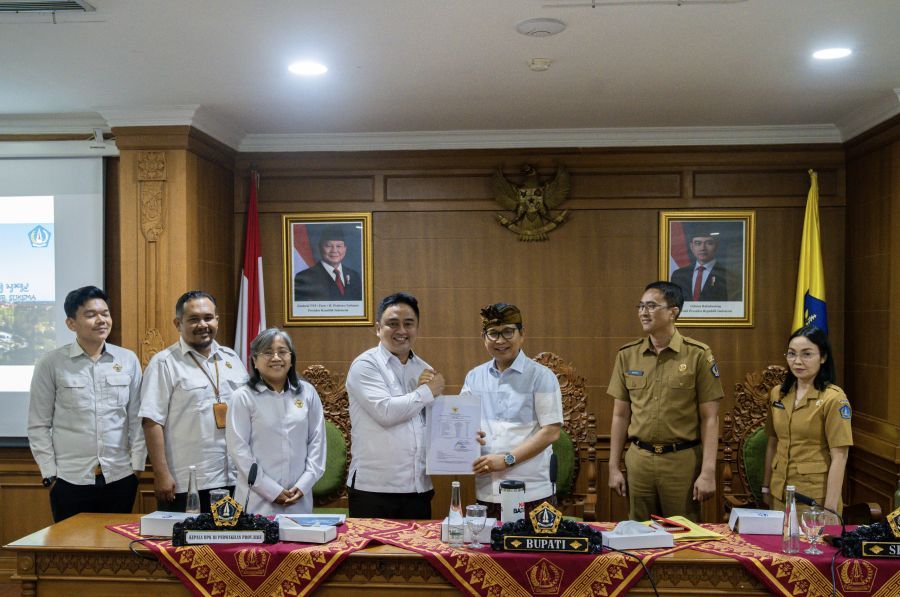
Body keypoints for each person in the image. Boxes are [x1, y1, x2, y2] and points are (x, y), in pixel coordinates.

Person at [607, 281, 724, 522]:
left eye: (651, 306)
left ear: (673, 312)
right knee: (639, 537)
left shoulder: (697, 354)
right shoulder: (627, 355)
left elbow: (710, 418)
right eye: (640, 306)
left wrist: (708, 472)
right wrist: (613, 466)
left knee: (683, 537)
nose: (643, 312)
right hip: (639, 460)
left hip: (681, 462)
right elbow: (620, 415)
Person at [27, 286, 145, 522]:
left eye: (105, 313)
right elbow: (38, 425)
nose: (101, 320)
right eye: (91, 315)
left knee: (115, 552)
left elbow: (138, 419)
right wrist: (50, 474)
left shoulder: (128, 360)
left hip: (119, 476)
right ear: (71, 323)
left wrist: (137, 467)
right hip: (70, 479)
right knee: (72, 554)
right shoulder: (50, 363)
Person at [140, 291, 249, 513]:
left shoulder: (232, 359)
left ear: (217, 319)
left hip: (234, 478)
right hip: (188, 482)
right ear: (178, 323)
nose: (202, 324)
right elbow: (152, 422)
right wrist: (161, 474)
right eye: (193, 319)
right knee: (188, 546)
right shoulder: (164, 363)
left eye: (208, 318)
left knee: (230, 546)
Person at [345, 292, 445, 519]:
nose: (401, 330)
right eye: (393, 324)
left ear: (417, 328)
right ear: (378, 328)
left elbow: (434, 423)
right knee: (370, 555)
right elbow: (386, 412)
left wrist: (465, 438)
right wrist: (427, 391)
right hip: (373, 490)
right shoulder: (365, 365)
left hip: (418, 488)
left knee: (417, 555)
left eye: (408, 324)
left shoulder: (424, 369)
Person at [463, 303, 563, 519]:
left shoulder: (541, 376)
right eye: (493, 333)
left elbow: (551, 431)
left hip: (532, 490)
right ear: (484, 338)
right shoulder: (474, 377)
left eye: (508, 332)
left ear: (521, 334)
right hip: (487, 489)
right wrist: (467, 433)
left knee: (531, 552)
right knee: (488, 552)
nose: (500, 340)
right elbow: (463, 421)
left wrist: (506, 459)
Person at [226, 328, 326, 515]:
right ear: (254, 361)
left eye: (282, 351)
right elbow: (239, 451)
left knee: (300, 544)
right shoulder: (243, 397)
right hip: (256, 500)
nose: (276, 357)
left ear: (291, 358)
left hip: (298, 499)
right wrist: (272, 491)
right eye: (267, 352)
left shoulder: (307, 392)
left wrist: (304, 485)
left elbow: (317, 443)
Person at [762, 325, 852, 513]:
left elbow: (840, 456)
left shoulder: (834, 398)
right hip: (779, 493)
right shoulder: (778, 393)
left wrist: (830, 509)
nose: (797, 361)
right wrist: (766, 486)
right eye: (792, 354)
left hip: (814, 498)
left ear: (823, 357)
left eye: (807, 354)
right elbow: (772, 441)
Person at [294, 225, 362, 301]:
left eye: (339, 246)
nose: (334, 250)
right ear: (320, 247)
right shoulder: (304, 278)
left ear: (345, 249)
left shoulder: (354, 276)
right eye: (328, 246)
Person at [670, 232, 729, 302]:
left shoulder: (728, 275)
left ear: (716, 246)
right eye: (698, 243)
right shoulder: (678, 275)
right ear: (692, 247)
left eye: (709, 243)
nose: (703, 248)